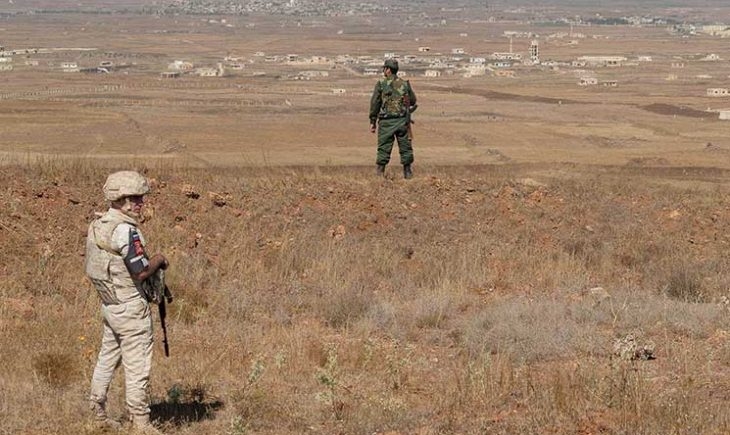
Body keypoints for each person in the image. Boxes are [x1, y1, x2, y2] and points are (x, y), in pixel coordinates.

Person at [84, 170, 168, 434]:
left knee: (107, 358)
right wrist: (160, 259)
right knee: (137, 365)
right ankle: (141, 423)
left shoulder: (99, 225)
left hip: (110, 305)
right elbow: (140, 272)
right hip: (131, 309)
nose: (141, 203)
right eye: (136, 198)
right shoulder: (126, 231)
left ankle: (97, 413)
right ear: (122, 200)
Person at [369, 58, 418, 179]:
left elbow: (375, 103)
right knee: (405, 148)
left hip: (386, 122)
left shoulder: (381, 84)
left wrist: (373, 121)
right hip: (402, 121)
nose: (383, 71)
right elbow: (413, 100)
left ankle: (380, 174)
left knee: (383, 148)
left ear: (388, 70)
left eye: (384, 69)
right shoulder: (404, 84)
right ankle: (408, 173)